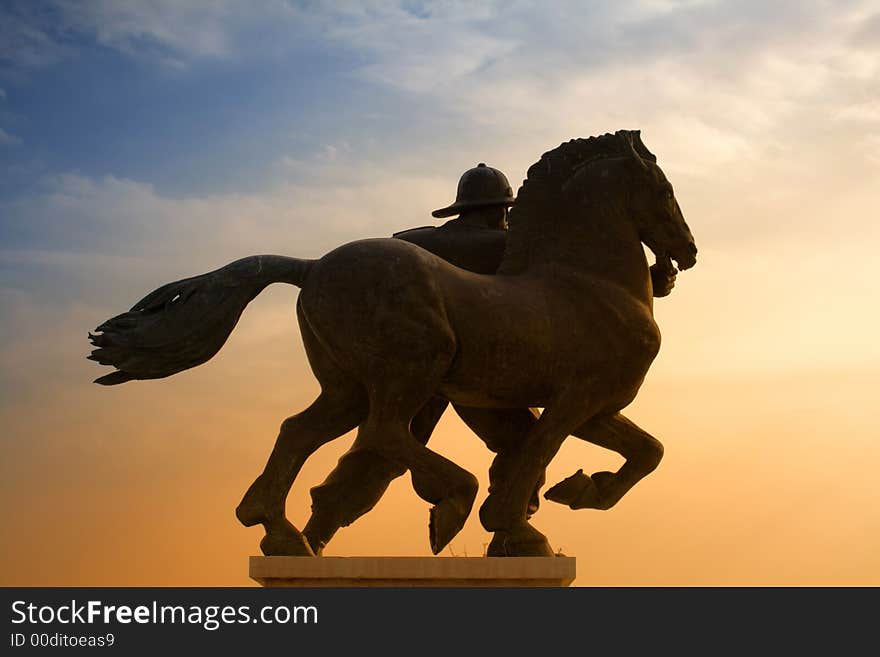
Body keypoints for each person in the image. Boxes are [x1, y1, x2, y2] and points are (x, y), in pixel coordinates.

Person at [301, 163, 677, 555]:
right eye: (505, 212)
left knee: (379, 453)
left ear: (461, 208)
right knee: (522, 441)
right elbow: (561, 292)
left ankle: (316, 531)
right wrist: (648, 280)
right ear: (499, 210)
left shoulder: (420, 245)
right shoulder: (509, 246)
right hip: (481, 368)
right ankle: (511, 533)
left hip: (423, 354)